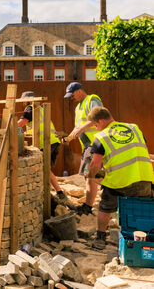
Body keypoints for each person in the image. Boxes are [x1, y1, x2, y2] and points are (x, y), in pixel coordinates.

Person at [86, 107, 153, 250]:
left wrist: (91, 175)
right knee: (141, 209)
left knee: (105, 207)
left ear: (102, 121)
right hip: (144, 176)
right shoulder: (134, 128)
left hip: (120, 180)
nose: (96, 128)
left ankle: (100, 237)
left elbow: (95, 164)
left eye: (95, 125)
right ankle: (144, 239)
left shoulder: (102, 137)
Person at [17, 91, 71, 206]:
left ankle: (56, 192)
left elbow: (21, 123)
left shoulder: (30, 108)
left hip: (45, 143)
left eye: (23, 101)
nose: (22, 104)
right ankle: (58, 192)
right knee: (45, 169)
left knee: (43, 168)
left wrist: (8, 127)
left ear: (28, 100)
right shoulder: (40, 109)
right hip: (53, 142)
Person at [65, 82, 103, 215]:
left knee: (90, 176)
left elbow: (98, 118)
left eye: (72, 95)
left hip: (96, 144)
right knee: (93, 175)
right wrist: (69, 137)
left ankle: (87, 206)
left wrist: (81, 129)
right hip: (88, 146)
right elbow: (78, 126)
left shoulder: (92, 100)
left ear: (79, 91)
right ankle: (97, 200)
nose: (71, 98)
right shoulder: (78, 108)